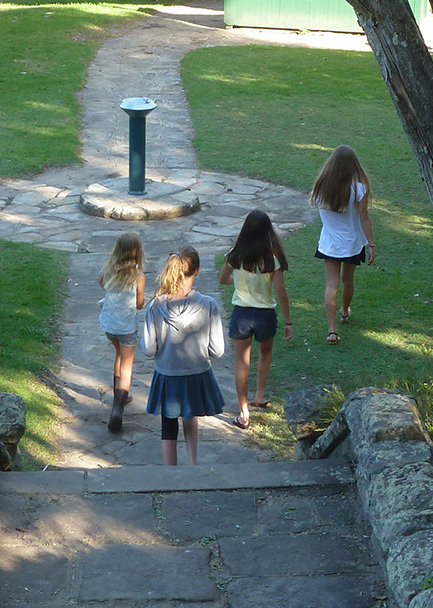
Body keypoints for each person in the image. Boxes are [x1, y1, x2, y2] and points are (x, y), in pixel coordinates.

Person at [142, 247, 225, 466]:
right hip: (197, 374)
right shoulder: (209, 305)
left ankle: (171, 473)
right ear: (196, 271)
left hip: (167, 374)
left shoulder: (154, 307)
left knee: (168, 424)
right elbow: (218, 350)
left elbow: (149, 349)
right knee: (190, 415)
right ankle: (193, 463)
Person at [217, 209, 293, 430]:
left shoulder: (235, 254)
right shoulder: (273, 258)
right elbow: (281, 292)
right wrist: (288, 321)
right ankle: (259, 395)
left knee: (242, 362)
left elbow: (223, 279)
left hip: (241, 312)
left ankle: (243, 412)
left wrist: (241, 282)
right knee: (265, 352)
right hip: (265, 314)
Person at [311, 146, 375, 344]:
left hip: (329, 244)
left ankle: (332, 330)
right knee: (348, 279)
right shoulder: (359, 189)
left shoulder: (320, 188)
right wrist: (371, 244)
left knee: (331, 285)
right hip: (352, 244)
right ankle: (345, 312)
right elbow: (364, 217)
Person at [98, 232, 146, 434]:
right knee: (127, 366)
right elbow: (139, 303)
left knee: (118, 356)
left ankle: (120, 396)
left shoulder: (109, 272)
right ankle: (118, 408)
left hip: (110, 325)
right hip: (127, 327)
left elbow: (101, 283)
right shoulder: (138, 277)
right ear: (137, 254)